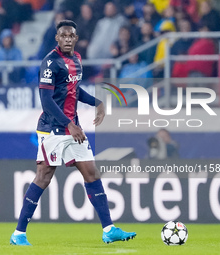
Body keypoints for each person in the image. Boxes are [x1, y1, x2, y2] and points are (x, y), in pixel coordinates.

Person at [10, 20, 137, 246]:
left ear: (76, 39)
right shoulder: (50, 62)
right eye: (64, 35)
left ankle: (109, 229)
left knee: (92, 173)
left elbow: (74, 90)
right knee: (44, 177)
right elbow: (46, 101)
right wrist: (69, 124)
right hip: (53, 129)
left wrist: (97, 102)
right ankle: (19, 233)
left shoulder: (77, 60)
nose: (68, 39)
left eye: (71, 36)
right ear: (57, 39)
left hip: (72, 127)